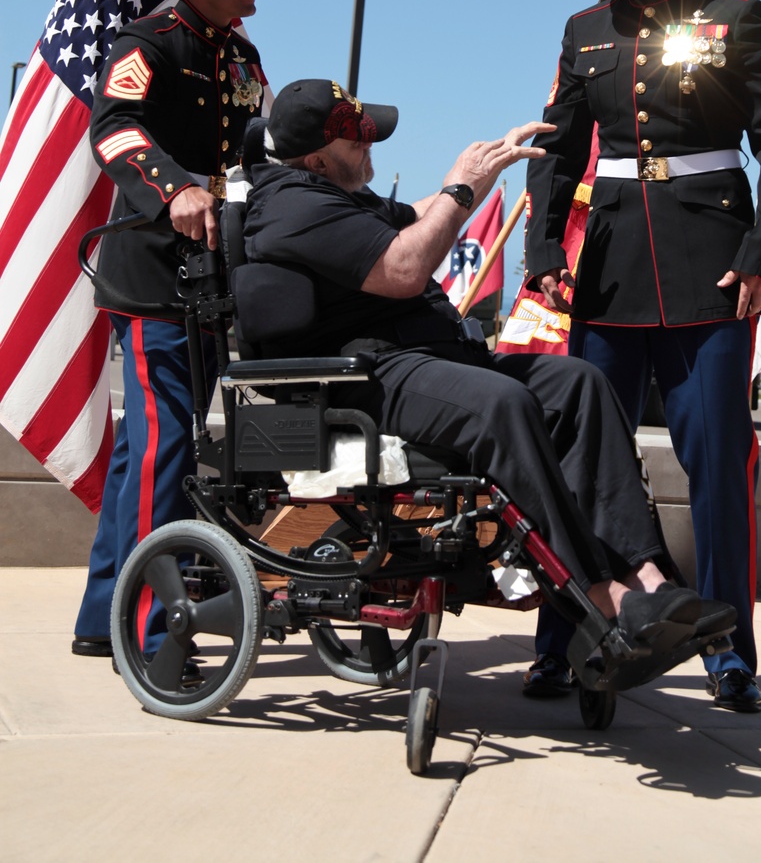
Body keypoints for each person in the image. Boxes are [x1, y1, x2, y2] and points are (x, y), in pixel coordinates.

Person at [241, 77, 735, 674]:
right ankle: (600, 598)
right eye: (359, 136)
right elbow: (402, 267)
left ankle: (648, 578)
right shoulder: (292, 205)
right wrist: (460, 189)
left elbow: (415, 217)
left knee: (579, 385)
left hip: (422, 358)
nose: (372, 142)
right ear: (318, 156)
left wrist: (482, 174)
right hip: (363, 374)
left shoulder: (333, 191)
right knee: (503, 405)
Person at [524, 0, 761, 712]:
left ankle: (729, 651)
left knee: (720, 462)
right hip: (608, 275)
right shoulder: (583, 31)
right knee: (577, 467)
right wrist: (543, 245)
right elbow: (556, 147)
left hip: (710, 272)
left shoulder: (737, 16)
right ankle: (565, 641)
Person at [73, 0, 273, 657]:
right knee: (166, 445)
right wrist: (173, 187)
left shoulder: (244, 59)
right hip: (154, 270)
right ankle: (156, 630)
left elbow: (259, 152)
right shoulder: (147, 43)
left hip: (214, 272)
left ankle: (106, 617)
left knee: (142, 452)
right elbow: (114, 127)